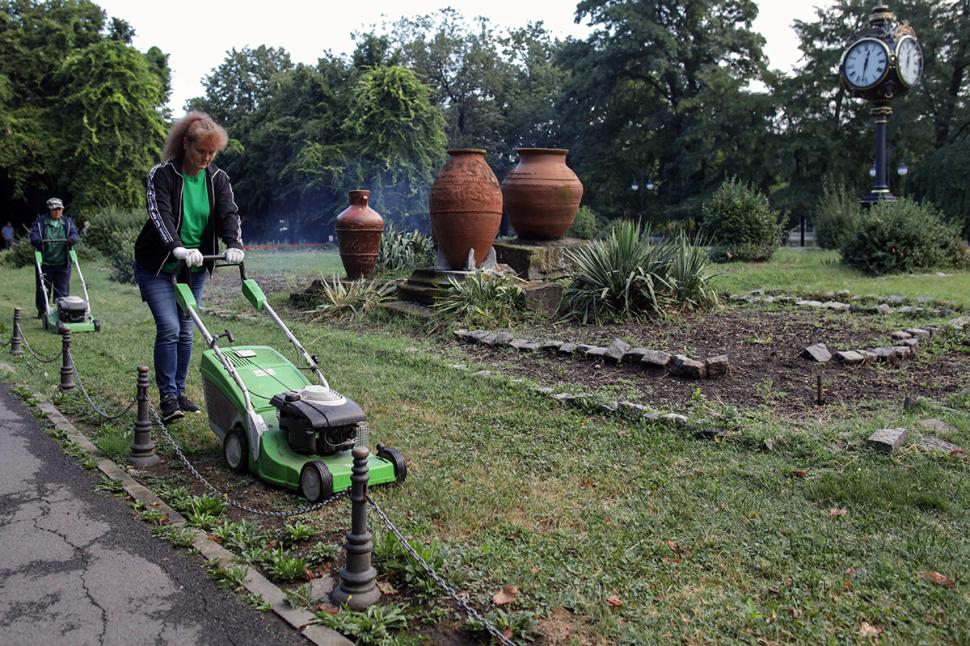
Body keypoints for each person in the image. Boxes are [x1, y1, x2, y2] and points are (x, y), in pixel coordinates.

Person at [134, 111, 245, 423]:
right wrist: (177, 246)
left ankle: (180, 392)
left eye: (212, 153)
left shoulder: (218, 179)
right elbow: (160, 213)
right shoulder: (162, 175)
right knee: (169, 327)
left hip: (194, 268)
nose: (207, 158)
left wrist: (234, 244)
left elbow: (229, 214)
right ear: (185, 144)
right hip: (157, 265)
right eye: (201, 151)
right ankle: (168, 397)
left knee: (186, 329)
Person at [30, 198, 80, 319]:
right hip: (45, 263)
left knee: (62, 290)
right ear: (50, 210)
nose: (57, 211)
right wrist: (37, 240)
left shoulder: (67, 222)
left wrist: (72, 239)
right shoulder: (41, 223)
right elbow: (34, 235)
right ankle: (42, 311)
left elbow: (74, 234)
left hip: (63, 263)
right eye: (55, 209)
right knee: (43, 289)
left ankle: (62, 311)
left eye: (59, 209)